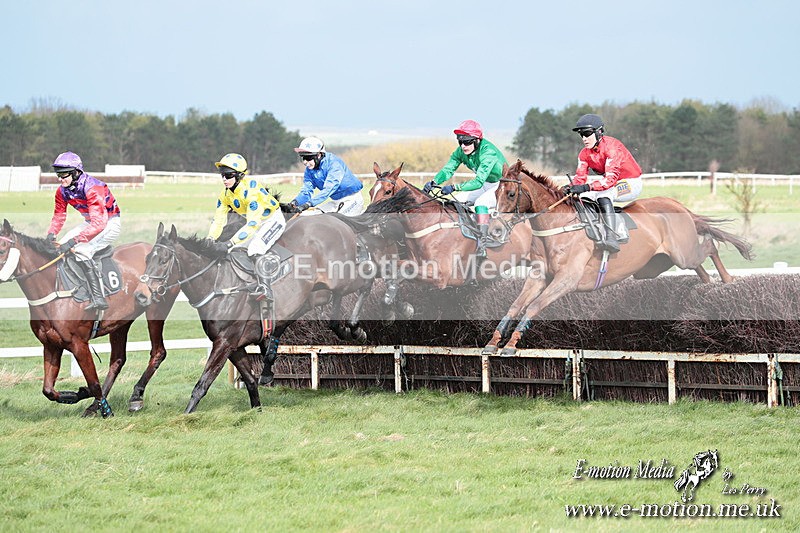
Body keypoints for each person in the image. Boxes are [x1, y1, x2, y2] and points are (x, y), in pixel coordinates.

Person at [47, 151, 122, 311]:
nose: (60, 179)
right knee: (59, 246)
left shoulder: (92, 188)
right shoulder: (62, 191)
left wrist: (74, 241)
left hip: (109, 223)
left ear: (76, 172)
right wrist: (51, 235)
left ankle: (98, 297)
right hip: (91, 222)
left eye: (63, 175)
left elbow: (99, 223)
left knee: (81, 250)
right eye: (58, 175)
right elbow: (59, 215)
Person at [423, 119, 507, 258]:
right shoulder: (461, 151)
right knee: (456, 201)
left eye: (467, 142)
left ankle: (482, 244)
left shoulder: (488, 152)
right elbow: (448, 169)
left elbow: (478, 181)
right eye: (460, 142)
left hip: (501, 186)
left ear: (477, 141)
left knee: (481, 203)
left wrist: (455, 187)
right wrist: (434, 181)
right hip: (486, 184)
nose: (463, 146)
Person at [562, 114, 643, 253]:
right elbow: (580, 178)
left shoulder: (612, 147)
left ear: (599, 132)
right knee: (584, 196)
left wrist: (586, 187)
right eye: (581, 135)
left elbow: (609, 181)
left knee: (604, 194)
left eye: (587, 134)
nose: (584, 139)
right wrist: (569, 188)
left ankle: (611, 236)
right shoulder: (584, 153)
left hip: (631, 182)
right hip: (612, 183)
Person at [206, 153, 286, 265]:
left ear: (239, 175)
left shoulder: (252, 193)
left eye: (228, 175)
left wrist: (229, 243)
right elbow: (218, 221)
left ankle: (266, 281)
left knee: (255, 249)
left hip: (272, 221)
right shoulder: (224, 195)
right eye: (222, 174)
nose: (224, 179)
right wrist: (210, 239)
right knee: (231, 251)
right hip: (254, 223)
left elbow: (252, 224)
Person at [289, 137, 364, 216]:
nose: (305, 162)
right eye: (303, 158)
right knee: (307, 217)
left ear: (319, 155)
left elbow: (328, 189)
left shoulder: (334, 164)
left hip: (353, 200)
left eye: (308, 158)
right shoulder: (309, 170)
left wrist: (308, 204)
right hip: (335, 202)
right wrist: (294, 203)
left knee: (336, 223)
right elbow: (306, 191)